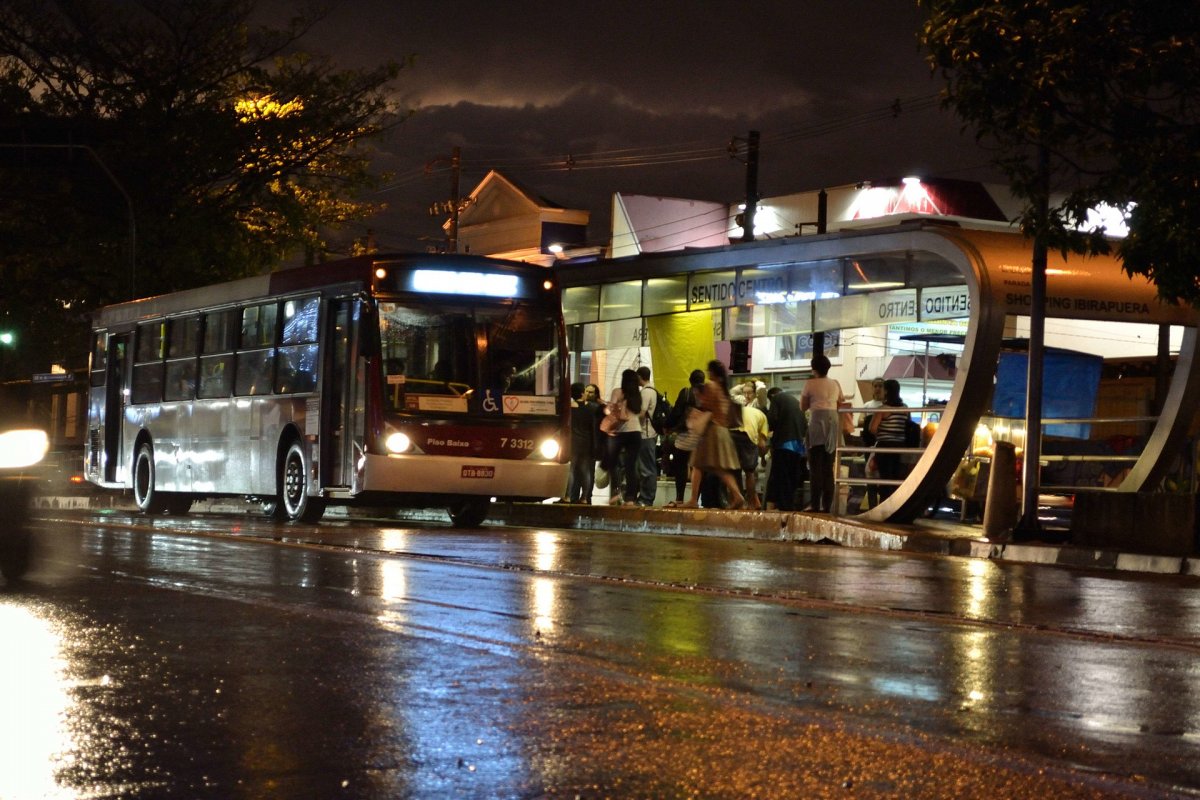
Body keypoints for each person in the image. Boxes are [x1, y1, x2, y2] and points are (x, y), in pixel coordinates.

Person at [679, 360, 746, 510]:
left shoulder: (711, 386)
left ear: (712, 373)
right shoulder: (724, 390)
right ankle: (737, 496)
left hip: (711, 431)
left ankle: (693, 500)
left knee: (697, 464)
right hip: (722, 431)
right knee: (717, 468)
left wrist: (698, 395)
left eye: (709, 371)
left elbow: (706, 406)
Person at [801, 354, 845, 513]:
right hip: (833, 424)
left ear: (814, 368)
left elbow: (803, 406)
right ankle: (827, 506)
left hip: (817, 424)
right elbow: (841, 402)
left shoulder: (810, 383)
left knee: (815, 467)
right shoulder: (835, 383)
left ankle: (814, 504)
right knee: (828, 467)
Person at [602, 369, 644, 506]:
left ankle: (615, 493)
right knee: (631, 466)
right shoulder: (637, 395)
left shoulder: (617, 392)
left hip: (619, 432)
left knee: (612, 462)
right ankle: (630, 498)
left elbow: (610, 410)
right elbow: (640, 412)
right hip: (636, 432)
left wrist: (606, 408)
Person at [663, 369, 704, 506]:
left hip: (685, 435)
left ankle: (679, 498)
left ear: (690, 380)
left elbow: (676, 412)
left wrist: (667, 426)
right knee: (697, 468)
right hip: (701, 437)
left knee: (680, 466)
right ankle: (695, 499)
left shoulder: (686, 392)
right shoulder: (706, 395)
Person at [847, 377, 886, 512]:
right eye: (875, 386)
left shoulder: (887, 405)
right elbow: (860, 420)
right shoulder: (868, 405)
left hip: (883, 444)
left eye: (880, 386)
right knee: (870, 474)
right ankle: (872, 505)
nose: (878, 388)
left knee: (884, 475)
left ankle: (882, 505)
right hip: (870, 444)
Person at [765, 387, 806, 511]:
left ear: (771, 396)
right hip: (798, 446)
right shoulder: (795, 401)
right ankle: (788, 506)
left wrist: (770, 430)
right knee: (791, 477)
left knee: (781, 477)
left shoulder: (776, 398)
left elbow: (772, 420)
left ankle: (782, 507)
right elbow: (804, 424)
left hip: (783, 443)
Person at [729, 388, 770, 510]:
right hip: (747, 435)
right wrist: (762, 458)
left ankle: (737, 501)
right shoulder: (763, 417)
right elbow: (762, 444)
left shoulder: (744, 409)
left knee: (734, 471)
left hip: (731, 434)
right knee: (749, 472)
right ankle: (752, 503)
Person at [869, 379, 909, 501]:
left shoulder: (883, 409)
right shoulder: (905, 408)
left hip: (885, 446)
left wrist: (881, 432)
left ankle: (884, 503)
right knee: (895, 476)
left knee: (885, 477)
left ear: (886, 391)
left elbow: (872, 428)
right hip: (899, 446)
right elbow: (907, 425)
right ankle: (895, 502)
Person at [563, 382, 600, 504]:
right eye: (585, 391)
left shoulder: (569, 408)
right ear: (581, 393)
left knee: (571, 469)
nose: (586, 393)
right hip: (586, 442)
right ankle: (584, 498)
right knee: (585, 470)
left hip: (573, 442)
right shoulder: (592, 408)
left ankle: (567, 496)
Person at [635, 366, 659, 506]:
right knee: (648, 466)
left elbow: (642, 414)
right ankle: (646, 497)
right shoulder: (653, 391)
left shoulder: (645, 393)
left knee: (647, 468)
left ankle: (646, 498)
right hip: (651, 433)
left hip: (646, 433)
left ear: (639, 377)